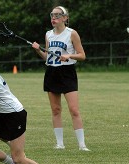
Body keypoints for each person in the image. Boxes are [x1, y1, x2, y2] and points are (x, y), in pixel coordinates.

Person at [31, 6, 90, 151]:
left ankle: (82, 145)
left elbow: (82, 55)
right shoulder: (48, 34)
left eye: (57, 15)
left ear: (65, 18)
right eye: (52, 15)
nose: (54, 18)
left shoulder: (72, 34)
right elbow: (47, 57)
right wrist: (38, 50)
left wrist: (70, 55)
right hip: (52, 72)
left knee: (74, 110)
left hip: (67, 73)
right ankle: (59, 144)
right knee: (56, 110)